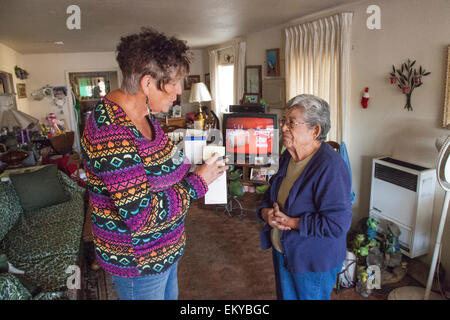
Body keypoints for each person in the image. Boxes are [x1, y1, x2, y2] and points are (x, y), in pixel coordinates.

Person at [81, 27, 228, 300]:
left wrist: (197, 163)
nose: (178, 94)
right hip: (140, 261)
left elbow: (167, 159)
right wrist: (198, 182)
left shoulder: (144, 115)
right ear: (148, 83)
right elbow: (141, 215)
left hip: (165, 248)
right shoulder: (110, 131)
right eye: (173, 85)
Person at [256, 94, 352, 300]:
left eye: (291, 122)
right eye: (284, 121)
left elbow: (337, 224)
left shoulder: (331, 167)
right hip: (285, 251)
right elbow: (272, 194)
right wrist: (266, 214)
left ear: (315, 130)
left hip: (312, 260)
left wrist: (292, 222)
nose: (283, 128)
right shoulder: (287, 156)